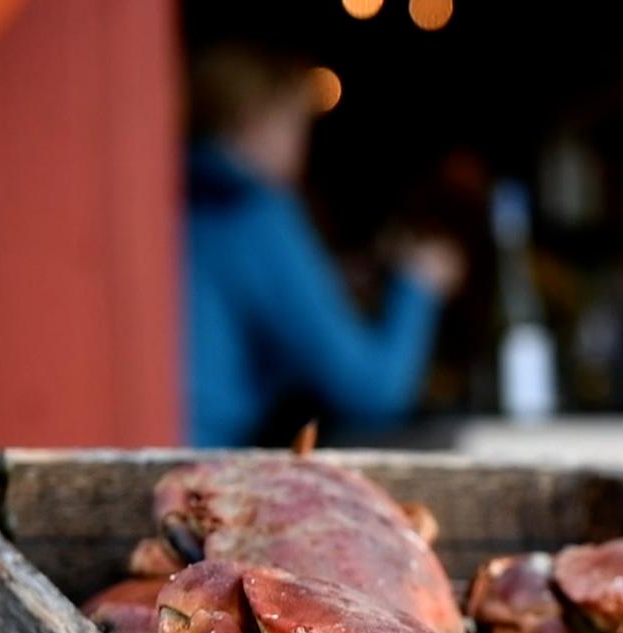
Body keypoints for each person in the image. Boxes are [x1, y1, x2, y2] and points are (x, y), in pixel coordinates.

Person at [184, 44, 464, 447]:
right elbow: (372, 391)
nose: (302, 149)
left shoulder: (183, 198)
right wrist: (418, 286)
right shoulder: (252, 209)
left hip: (147, 447)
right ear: (253, 122)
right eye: (295, 127)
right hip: (205, 467)